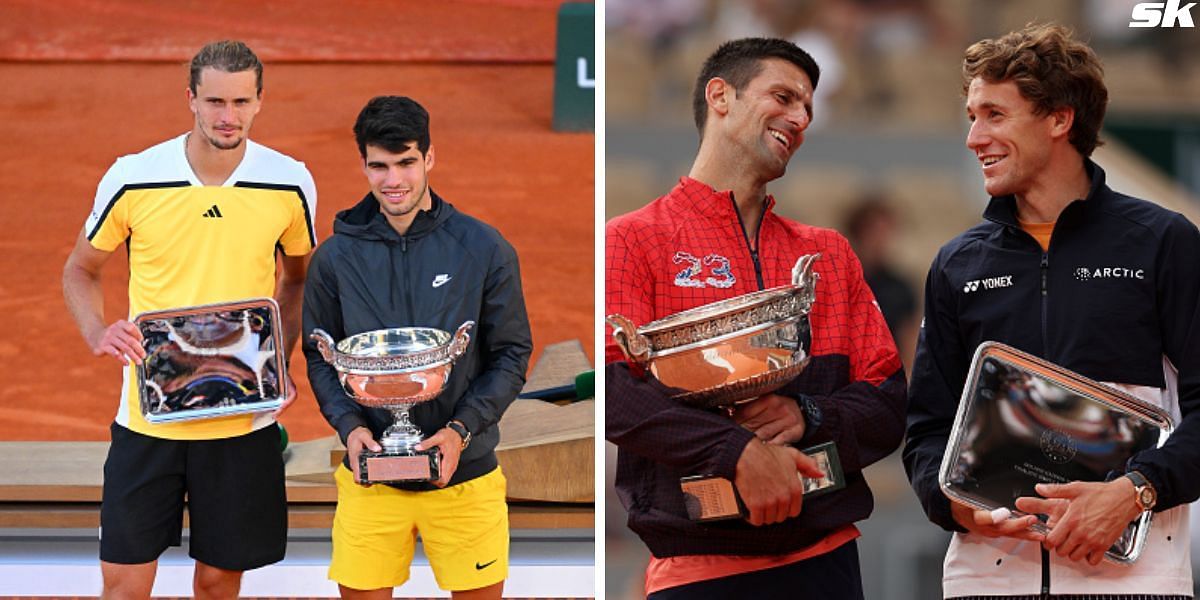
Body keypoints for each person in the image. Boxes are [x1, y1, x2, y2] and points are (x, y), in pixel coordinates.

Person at [903, 23, 1200, 598]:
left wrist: (1134, 490)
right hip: (986, 577)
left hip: (1134, 577)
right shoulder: (956, 264)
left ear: (1059, 120)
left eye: (993, 114)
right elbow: (927, 433)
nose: (973, 137)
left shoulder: (1162, 243)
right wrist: (963, 510)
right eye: (971, 115)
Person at [605, 37, 906, 599]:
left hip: (827, 561)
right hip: (699, 567)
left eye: (808, 109)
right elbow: (616, 394)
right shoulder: (633, 240)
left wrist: (806, 414)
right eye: (785, 97)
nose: (800, 118)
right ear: (721, 96)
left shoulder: (828, 254)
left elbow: (887, 405)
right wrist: (736, 453)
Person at [61, 40, 316, 599]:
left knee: (220, 582)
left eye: (241, 102)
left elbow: (295, 279)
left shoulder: (289, 181)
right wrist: (98, 330)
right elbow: (81, 269)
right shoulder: (133, 176)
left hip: (242, 421)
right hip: (147, 421)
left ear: (259, 102)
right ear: (191, 100)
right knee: (125, 585)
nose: (228, 117)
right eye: (216, 101)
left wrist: (282, 363)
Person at [303, 96, 532, 600]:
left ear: (429, 158)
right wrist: (351, 427)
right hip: (371, 483)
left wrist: (459, 431)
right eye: (379, 166)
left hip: (466, 478)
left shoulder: (484, 248)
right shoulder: (334, 258)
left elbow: (512, 353)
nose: (393, 180)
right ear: (362, 164)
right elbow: (320, 359)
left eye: (406, 162)